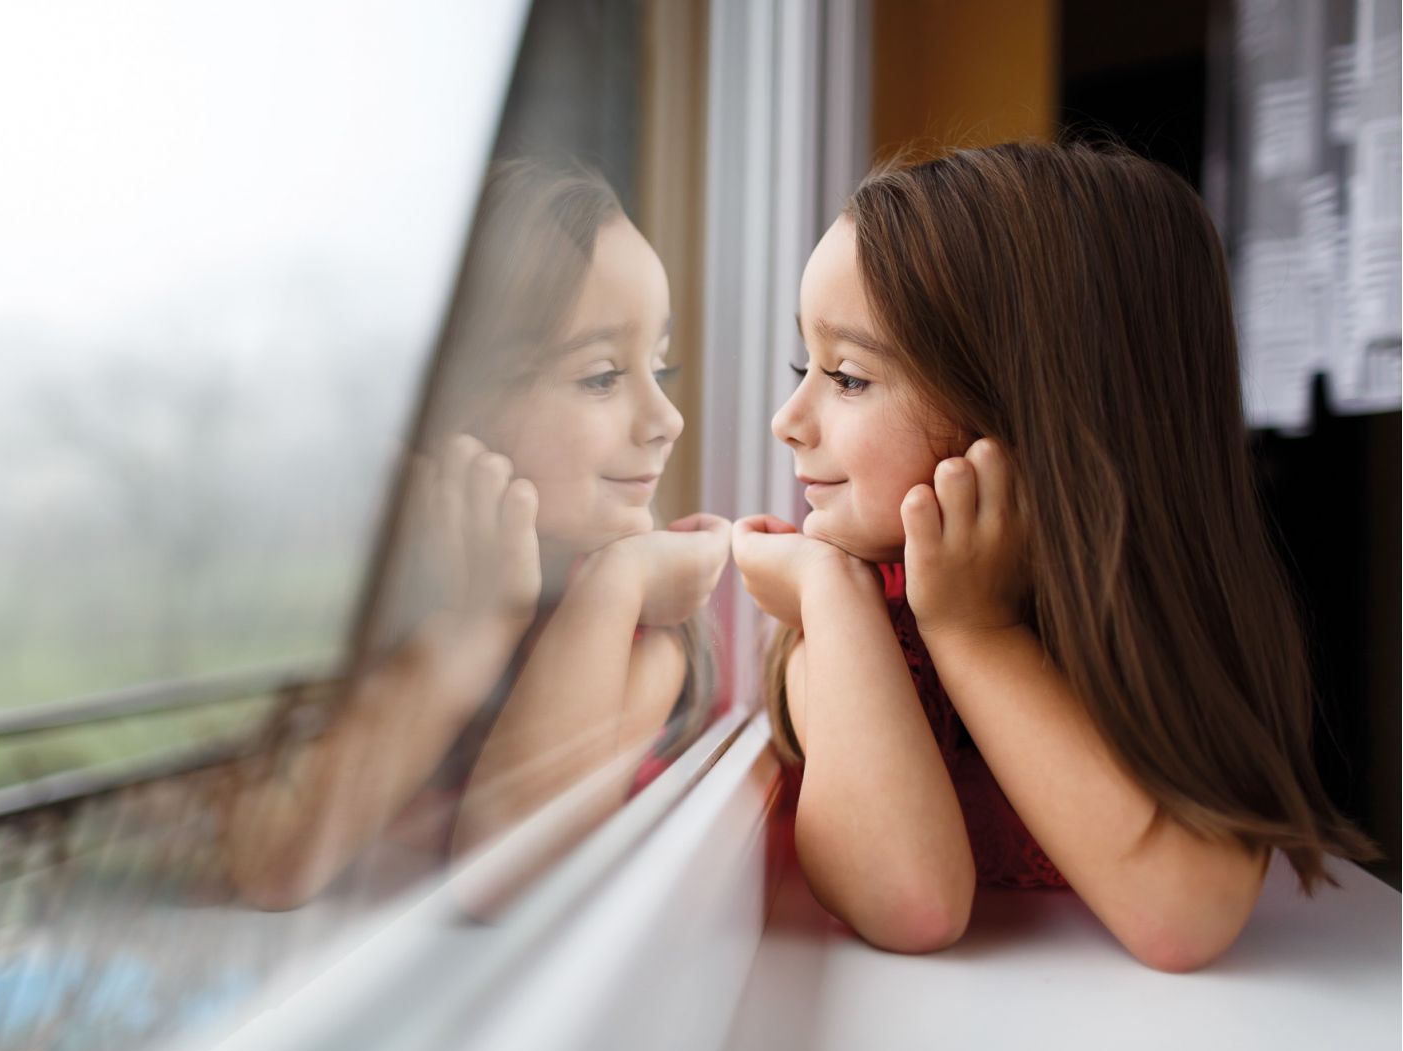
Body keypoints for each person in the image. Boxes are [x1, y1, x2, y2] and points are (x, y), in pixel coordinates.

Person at [731, 140, 1378, 972]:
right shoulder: (851, 605)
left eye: (847, 377)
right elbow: (911, 902)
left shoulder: (1150, 623)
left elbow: (1189, 913)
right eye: (803, 365)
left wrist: (976, 631)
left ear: (1031, 410)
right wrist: (829, 593)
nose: (788, 417)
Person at [223, 158, 727, 911]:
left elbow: (502, 872)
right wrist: (472, 627)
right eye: (600, 377)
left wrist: (611, 586)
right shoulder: (364, 612)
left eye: (663, 365)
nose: (667, 421)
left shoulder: (646, 627)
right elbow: (274, 865)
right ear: (451, 407)